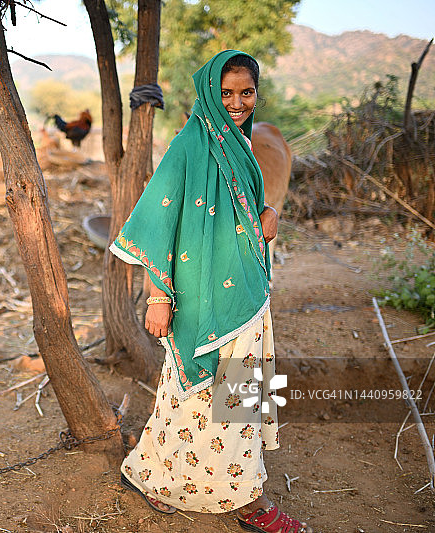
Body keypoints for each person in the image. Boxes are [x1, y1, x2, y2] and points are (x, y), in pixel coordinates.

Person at [110, 50, 312, 533]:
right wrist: (158, 296)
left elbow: (251, 202)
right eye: (226, 93)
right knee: (198, 390)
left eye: (246, 92)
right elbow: (157, 220)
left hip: (247, 289)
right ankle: (247, 501)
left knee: (244, 390)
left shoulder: (240, 143)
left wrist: (273, 214)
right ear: (209, 94)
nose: (237, 102)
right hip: (201, 294)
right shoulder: (189, 146)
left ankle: (163, 477)